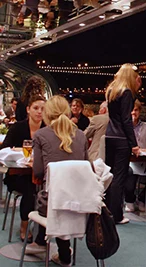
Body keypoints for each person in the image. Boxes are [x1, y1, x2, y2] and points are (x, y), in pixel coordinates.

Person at [24, 95, 88, 266]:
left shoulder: (41, 135)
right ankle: (45, 244)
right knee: (57, 195)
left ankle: (41, 243)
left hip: (53, 205)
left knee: (47, 195)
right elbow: (86, 167)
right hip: (80, 203)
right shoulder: (81, 135)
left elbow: (37, 172)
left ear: (47, 114)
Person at [0, 95, 46, 242]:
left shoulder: (47, 129)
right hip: (17, 175)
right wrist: (22, 150)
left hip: (41, 174)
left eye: (43, 109)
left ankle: (44, 230)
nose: (39, 112)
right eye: (36, 108)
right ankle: (24, 226)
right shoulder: (18, 127)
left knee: (49, 190)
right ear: (28, 109)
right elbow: (5, 148)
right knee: (30, 188)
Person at [105, 63, 140, 224]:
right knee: (119, 178)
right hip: (121, 140)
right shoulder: (126, 93)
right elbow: (126, 120)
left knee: (109, 176)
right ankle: (116, 215)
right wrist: (134, 144)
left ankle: (104, 211)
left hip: (110, 136)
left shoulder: (111, 91)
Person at [125, 99, 146, 212]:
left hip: (144, 160)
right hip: (127, 160)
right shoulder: (123, 128)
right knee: (129, 172)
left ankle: (142, 199)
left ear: (139, 111)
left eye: (136, 110)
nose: (133, 113)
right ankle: (130, 200)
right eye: (131, 110)